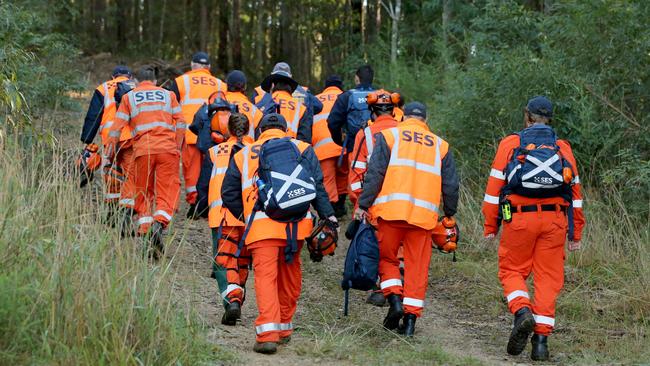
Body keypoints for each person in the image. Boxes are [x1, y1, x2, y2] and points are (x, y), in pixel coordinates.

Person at [221, 113, 336, 354]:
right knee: (290, 274)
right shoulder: (302, 147)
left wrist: (246, 217)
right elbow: (317, 186)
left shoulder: (243, 154)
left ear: (260, 131)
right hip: (297, 226)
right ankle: (283, 329)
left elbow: (228, 193)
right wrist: (329, 217)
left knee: (266, 278)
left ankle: (268, 335)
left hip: (261, 226)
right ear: (285, 129)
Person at [482, 96, 585, 361]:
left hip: (519, 218)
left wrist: (490, 226)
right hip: (554, 221)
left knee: (512, 270)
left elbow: (494, 192)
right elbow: (575, 194)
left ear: (527, 116)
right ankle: (541, 343)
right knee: (548, 279)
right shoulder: (563, 147)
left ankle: (521, 311)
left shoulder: (511, 143)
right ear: (549, 118)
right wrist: (576, 233)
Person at [355, 102, 459, 337]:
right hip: (423, 220)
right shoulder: (440, 146)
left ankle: (394, 300)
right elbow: (451, 185)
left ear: (403, 117)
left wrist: (363, 204)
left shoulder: (389, 136)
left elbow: (375, 174)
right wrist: (450, 213)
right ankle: (410, 321)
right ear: (426, 119)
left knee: (386, 259)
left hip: (390, 214)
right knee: (417, 268)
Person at [108, 66, 186, 257]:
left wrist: (110, 155)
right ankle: (159, 224)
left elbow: (116, 130)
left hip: (143, 151)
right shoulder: (168, 95)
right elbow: (182, 123)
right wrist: (176, 147)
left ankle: (145, 233)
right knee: (168, 190)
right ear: (156, 81)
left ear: (136, 81)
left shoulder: (129, 97)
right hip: (167, 150)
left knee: (144, 192)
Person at [196, 113, 254, 326]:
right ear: (248, 130)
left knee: (223, 262)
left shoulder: (214, 152)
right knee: (242, 261)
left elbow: (203, 184)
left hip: (222, 215)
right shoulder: (257, 150)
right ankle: (238, 295)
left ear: (228, 130)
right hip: (249, 216)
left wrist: (200, 208)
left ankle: (232, 300)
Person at [166, 52, 226, 217]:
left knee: (192, 170)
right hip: (215, 136)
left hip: (191, 132)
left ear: (192, 65)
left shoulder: (181, 82)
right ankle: (210, 202)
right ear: (209, 68)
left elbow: (170, 107)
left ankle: (194, 203)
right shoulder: (221, 84)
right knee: (212, 169)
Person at [80, 65, 137, 219]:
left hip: (111, 137)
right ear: (129, 77)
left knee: (111, 173)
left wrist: (87, 139)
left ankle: (111, 212)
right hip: (132, 138)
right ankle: (127, 210)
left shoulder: (104, 87)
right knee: (131, 174)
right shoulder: (137, 87)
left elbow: (94, 115)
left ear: (113, 77)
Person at [327, 65, 376, 214]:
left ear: (357, 79)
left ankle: (359, 214)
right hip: (381, 145)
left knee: (357, 182)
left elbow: (333, 122)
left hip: (355, 146)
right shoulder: (382, 96)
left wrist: (341, 142)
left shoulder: (347, 96)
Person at [255, 63, 313, 143]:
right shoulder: (301, 108)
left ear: (272, 86)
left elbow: (257, 131)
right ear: (291, 89)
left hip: (267, 148)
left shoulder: (263, 104)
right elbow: (304, 138)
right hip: (292, 150)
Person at [312, 75, 345, 212]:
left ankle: (331, 210)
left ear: (325, 87)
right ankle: (341, 206)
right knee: (343, 175)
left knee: (328, 180)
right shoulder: (346, 97)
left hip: (322, 147)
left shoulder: (315, 99)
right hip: (344, 145)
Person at [253, 62, 323, 119]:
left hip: (269, 132)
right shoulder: (303, 91)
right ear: (290, 77)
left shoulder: (260, 90)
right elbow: (318, 106)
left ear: (272, 75)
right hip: (296, 132)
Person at [222, 70, 262, 138]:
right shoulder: (254, 110)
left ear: (227, 85)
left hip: (223, 147)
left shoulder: (220, 104)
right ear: (245, 87)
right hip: (248, 147)